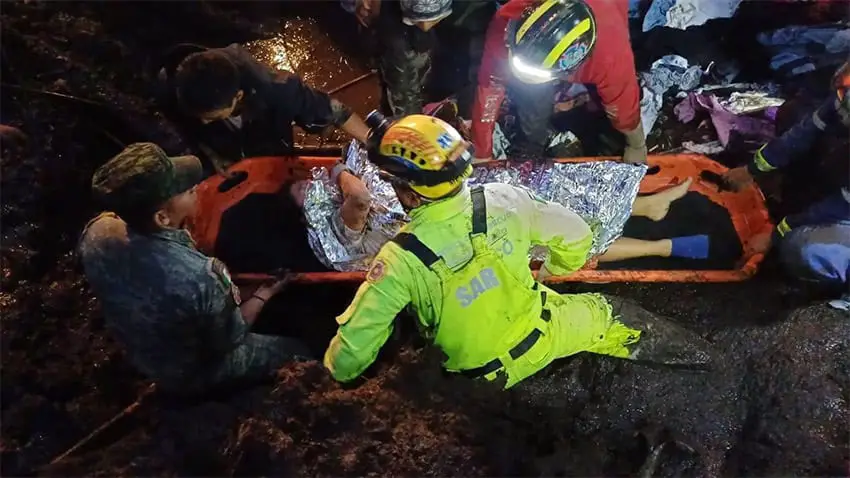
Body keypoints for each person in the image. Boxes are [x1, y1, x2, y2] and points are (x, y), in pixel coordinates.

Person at [323, 114, 711, 387]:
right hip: (544, 333)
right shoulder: (504, 198)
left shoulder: (397, 263)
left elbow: (348, 359)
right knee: (612, 316)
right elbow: (577, 236)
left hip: (480, 381)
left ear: (406, 190)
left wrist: (329, 377)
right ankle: (706, 359)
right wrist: (552, 272)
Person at [79, 142, 312, 394]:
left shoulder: (97, 234)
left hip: (142, 349)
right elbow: (229, 340)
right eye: (188, 191)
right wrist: (264, 293)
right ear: (162, 218)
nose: (196, 190)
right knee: (300, 352)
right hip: (192, 369)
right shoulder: (200, 275)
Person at [722, 63, 849, 302]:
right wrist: (752, 169)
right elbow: (806, 131)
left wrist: (777, 233)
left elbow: (840, 206)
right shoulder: (845, 94)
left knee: (801, 248)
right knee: (793, 112)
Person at [470, 0, 645, 163]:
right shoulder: (507, 22)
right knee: (531, 95)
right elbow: (490, 84)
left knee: (606, 114)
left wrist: (636, 145)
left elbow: (624, 107)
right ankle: (532, 145)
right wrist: (481, 152)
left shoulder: (609, 56)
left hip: (607, 19)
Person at [155, 43, 371, 172]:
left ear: (237, 97)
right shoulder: (175, 86)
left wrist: (372, 140)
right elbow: (186, 127)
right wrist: (213, 156)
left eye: (212, 117)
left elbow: (336, 112)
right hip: (226, 152)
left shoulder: (278, 92)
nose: (204, 122)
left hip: (267, 144)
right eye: (200, 116)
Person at [346, 0, 497, 117]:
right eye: (415, 21)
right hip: (398, 29)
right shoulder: (393, 31)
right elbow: (403, 82)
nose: (424, 26)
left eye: (432, 21)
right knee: (401, 73)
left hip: (465, 18)